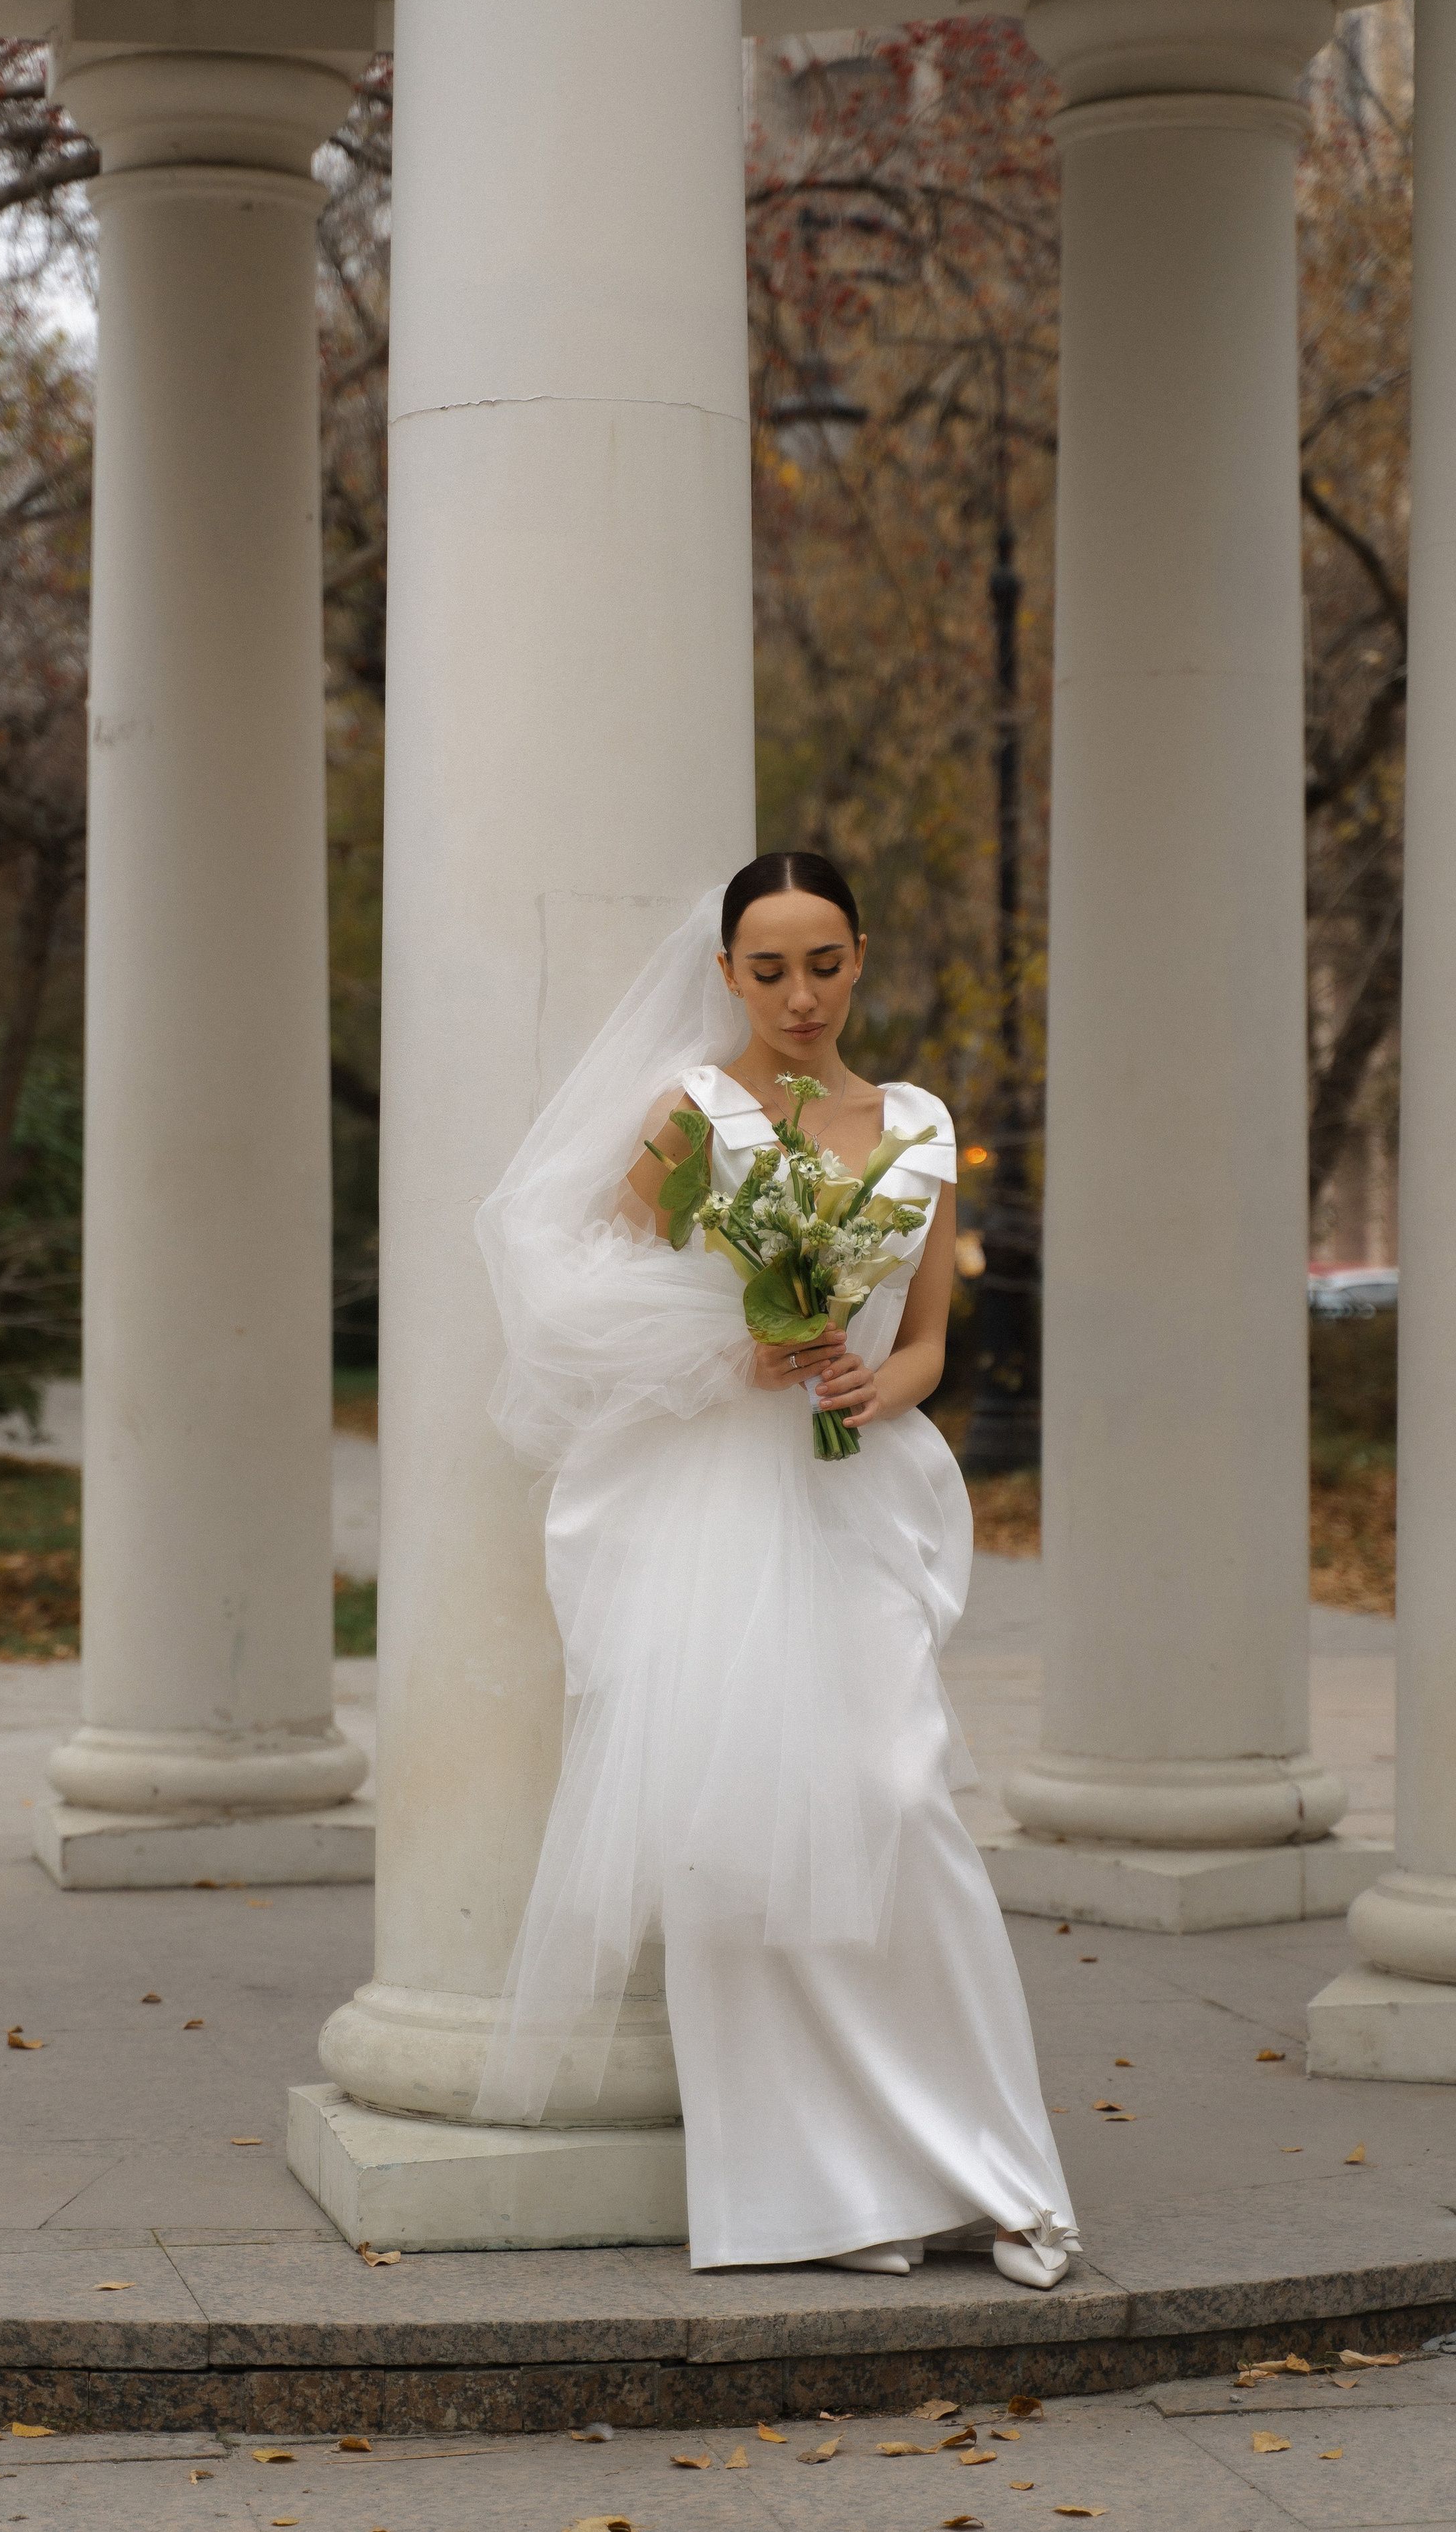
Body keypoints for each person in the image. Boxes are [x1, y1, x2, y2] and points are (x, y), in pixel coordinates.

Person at [474, 852, 1078, 2289]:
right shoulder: (698, 1114)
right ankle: (816, 2195)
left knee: (891, 1802)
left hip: (854, 1498)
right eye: (766, 968)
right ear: (728, 974)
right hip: (715, 1509)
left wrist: (889, 1385)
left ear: (859, 958)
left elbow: (928, 1333)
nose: (797, 994)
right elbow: (570, 1288)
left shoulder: (918, 1124)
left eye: (822, 962)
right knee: (728, 1840)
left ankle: (986, 2166)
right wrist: (723, 1346)